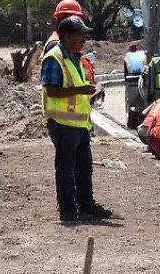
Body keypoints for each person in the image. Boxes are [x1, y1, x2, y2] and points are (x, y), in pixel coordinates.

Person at [41, 16, 113, 223]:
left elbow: (73, 93)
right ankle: (69, 211)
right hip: (62, 124)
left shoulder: (74, 58)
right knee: (66, 169)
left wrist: (89, 96)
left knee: (83, 167)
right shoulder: (54, 58)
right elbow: (53, 91)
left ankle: (86, 206)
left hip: (79, 124)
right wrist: (81, 89)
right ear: (67, 37)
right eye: (80, 36)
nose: (83, 40)